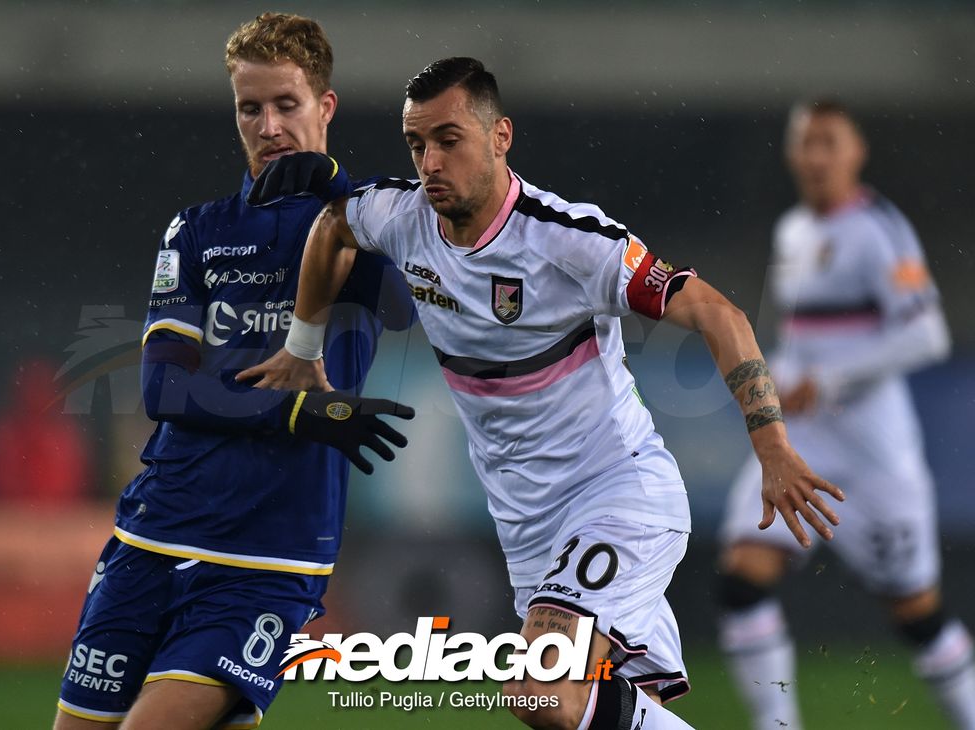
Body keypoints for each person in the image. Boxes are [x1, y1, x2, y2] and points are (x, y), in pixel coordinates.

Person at [243, 57, 844, 730]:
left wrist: (772, 444)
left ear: (500, 137)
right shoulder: (400, 217)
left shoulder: (568, 241)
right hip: (529, 533)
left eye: (449, 140)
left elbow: (718, 313)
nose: (430, 163)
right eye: (417, 145)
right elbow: (334, 226)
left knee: (539, 693)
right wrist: (301, 349)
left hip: (617, 495)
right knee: (596, 712)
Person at [54, 13, 414, 730]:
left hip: (268, 560)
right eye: (251, 107)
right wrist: (291, 411)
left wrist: (339, 196)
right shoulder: (198, 231)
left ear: (326, 107)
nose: (269, 125)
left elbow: (402, 307)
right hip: (152, 536)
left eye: (287, 104)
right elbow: (164, 389)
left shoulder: (371, 216)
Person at [714, 99, 975, 730]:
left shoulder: (878, 230)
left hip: (874, 455)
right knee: (741, 580)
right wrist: (780, 378)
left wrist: (829, 378)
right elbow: (802, 340)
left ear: (856, 152)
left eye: (829, 142)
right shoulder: (794, 233)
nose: (815, 155)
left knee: (918, 616)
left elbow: (927, 336)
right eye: (805, 142)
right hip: (802, 443)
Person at [0, 359, 91, 505]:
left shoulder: (65, 438)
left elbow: (70, 487)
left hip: (58, 518)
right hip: (8, 518)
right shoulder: (3, 437)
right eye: (30, 388)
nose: (35, 396)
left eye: (42, 388)